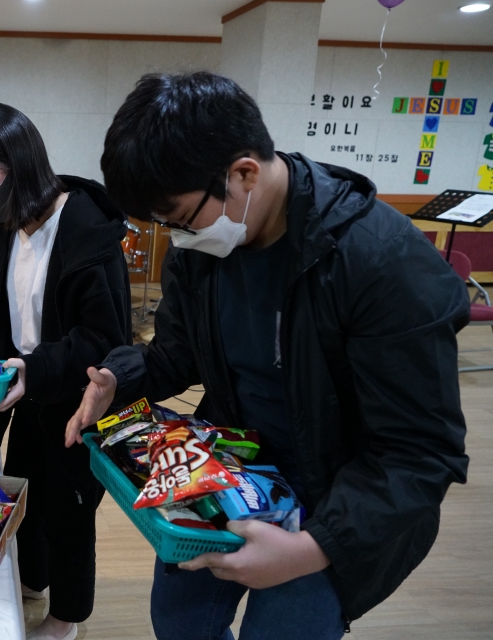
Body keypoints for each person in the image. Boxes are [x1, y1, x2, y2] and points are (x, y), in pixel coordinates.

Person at [64, 72, 470, 640]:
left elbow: (421, 453)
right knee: (179, 621)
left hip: (338, 495)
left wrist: (311, 549)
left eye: (178, 217)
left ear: (244, 174)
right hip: (233, 464)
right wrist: (117, 377)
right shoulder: (205, 242)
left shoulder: (381, 264)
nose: (176, 236)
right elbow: (178, 352)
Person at [0, 103, 133, 640]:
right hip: (22, 390)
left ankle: (66, 617)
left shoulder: (87, 233)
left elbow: (103, 340)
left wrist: (36, 368)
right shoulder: (6, 233)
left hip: (76, 399)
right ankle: (33, 579)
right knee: (24, 492)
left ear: (20, 164)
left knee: (70, 510)